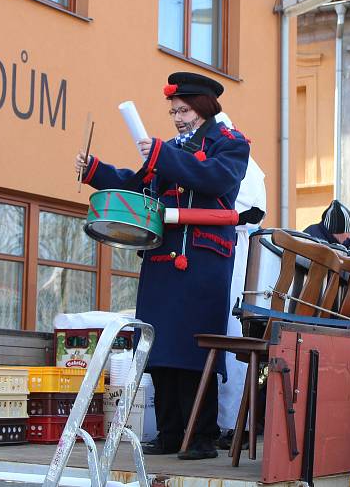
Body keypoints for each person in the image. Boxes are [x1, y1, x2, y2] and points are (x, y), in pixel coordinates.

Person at [75, 72, 250, 460]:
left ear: (204, 107)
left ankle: (201, 436)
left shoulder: (231, 144)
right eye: (173, 111)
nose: (177, 117)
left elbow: (214, 179)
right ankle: (171, 432)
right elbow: (140, 186)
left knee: (194, 352)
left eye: (183, 110)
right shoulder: (168, 149)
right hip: (162, 258)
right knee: (160, 351)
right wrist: (95, 171)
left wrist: (159, 154)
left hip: (202, 261)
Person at [213, 112, 266, 450]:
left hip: (234, 260)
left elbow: (248, 210)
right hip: (214, 256)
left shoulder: (244, 163)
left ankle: (232, 423)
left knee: (232, 342)